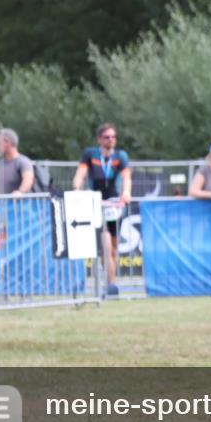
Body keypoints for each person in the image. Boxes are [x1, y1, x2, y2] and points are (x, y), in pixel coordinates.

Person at [73, 122, 132, 297]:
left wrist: (126, 192)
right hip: (94, 203)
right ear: (99, 139)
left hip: (113, 204)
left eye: (113, 137)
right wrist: (77, 189)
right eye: (107, 137)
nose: (111, 140)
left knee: (113, 248)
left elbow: (126, 177)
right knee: (105, 243)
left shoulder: (120, 156)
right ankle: (112, 285)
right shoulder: (90, 154)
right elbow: (80, 174)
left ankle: (110, 281)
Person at [0, 128, 34, 194]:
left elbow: (28, 180)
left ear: (8, 143)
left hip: (19, 204)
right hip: (3, 204)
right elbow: (0, 187)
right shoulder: (1, 163)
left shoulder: (23, 162)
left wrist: (20, 192)